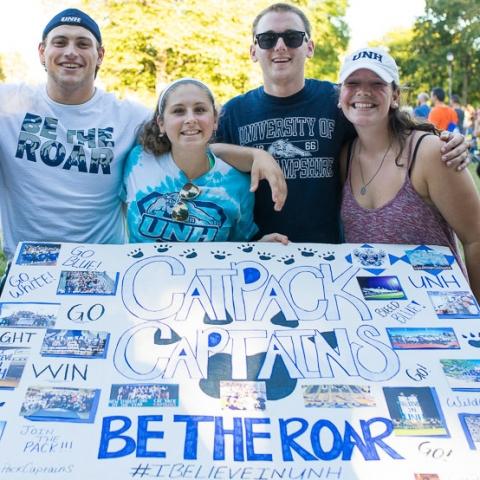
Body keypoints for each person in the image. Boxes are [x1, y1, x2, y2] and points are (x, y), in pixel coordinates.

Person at [0, 8, 286, 260]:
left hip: (101, 263)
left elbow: (185, 138)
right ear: (41, 51)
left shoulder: (128, 117)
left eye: (83, 43)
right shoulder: (8, 105)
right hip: (31, 262)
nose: (71, 52)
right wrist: (252, 154)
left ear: (100, 55)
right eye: (60, 42)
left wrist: (254, 155)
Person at [217, 3, 469, 244]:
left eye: (293, 37)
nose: (280, 46)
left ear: (310, 47)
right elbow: (199, 158)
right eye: (267, 39)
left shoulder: (336, 101)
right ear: (253, 51)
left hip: (331, 259)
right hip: (257, 253)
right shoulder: (234, 112)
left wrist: (446, 140)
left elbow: (386, 128)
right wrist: (253, 155)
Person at [338, 47, 480, 301]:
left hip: (440, 320)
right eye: (353, 82)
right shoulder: (344, 156)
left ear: (395, 96)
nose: (363, 91)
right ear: (340, 95)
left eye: (377, 83)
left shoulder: (431, 153)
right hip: (375, 313)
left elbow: (475, 238)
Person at [123, 78, 288, 243]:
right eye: (178, 111)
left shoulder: (238, 184)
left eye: (200, 110)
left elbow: (239, 248)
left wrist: (261, 247)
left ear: (215, 120)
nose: (190, 119)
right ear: (161, 123)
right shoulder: (137, 161)